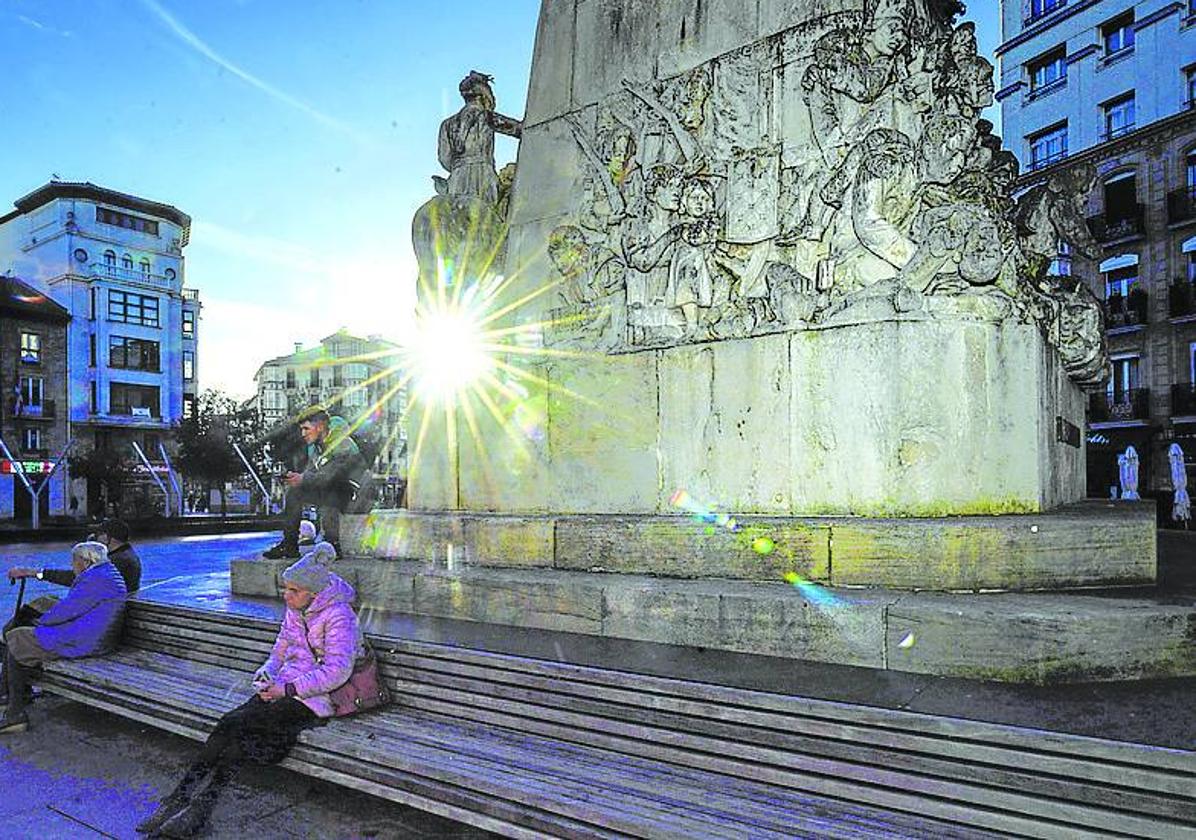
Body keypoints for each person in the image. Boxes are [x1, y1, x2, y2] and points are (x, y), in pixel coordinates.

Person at [136, 555, 363, 837]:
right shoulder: (295, 610)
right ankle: (184, 801)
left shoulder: (340, 616)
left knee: (237, 731)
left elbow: (337, 671)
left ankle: (194, 806)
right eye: (285, 588)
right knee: (232, 727)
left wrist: (287, 689)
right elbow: (280, 650)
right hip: (281, 689)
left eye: (294, 590)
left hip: (314, 699)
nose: (286, 595)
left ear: (315, 594)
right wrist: (267, 672)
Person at [0, 541, 127, 733]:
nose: (72, 565)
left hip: (87, 640)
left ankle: (15, 712)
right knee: (21, 635)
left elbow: (67, 610)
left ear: (85, 561)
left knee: (17, 638)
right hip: (95, 635)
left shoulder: (95, 579)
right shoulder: (105, 573)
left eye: (73, 560)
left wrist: (40, 622)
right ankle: (9, 696)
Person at [262, 408, 365, 560]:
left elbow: (332, 475)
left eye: (306, 429)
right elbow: (312, 473)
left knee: (330, 490)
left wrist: (303, 478)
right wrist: (295, 478)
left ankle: (332, 544)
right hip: (332, 488)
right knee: (295, 492)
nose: (303, 433)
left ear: (321, 426)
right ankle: (289, 546)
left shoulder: (343, 444)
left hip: (355, 493)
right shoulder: (315, 447)